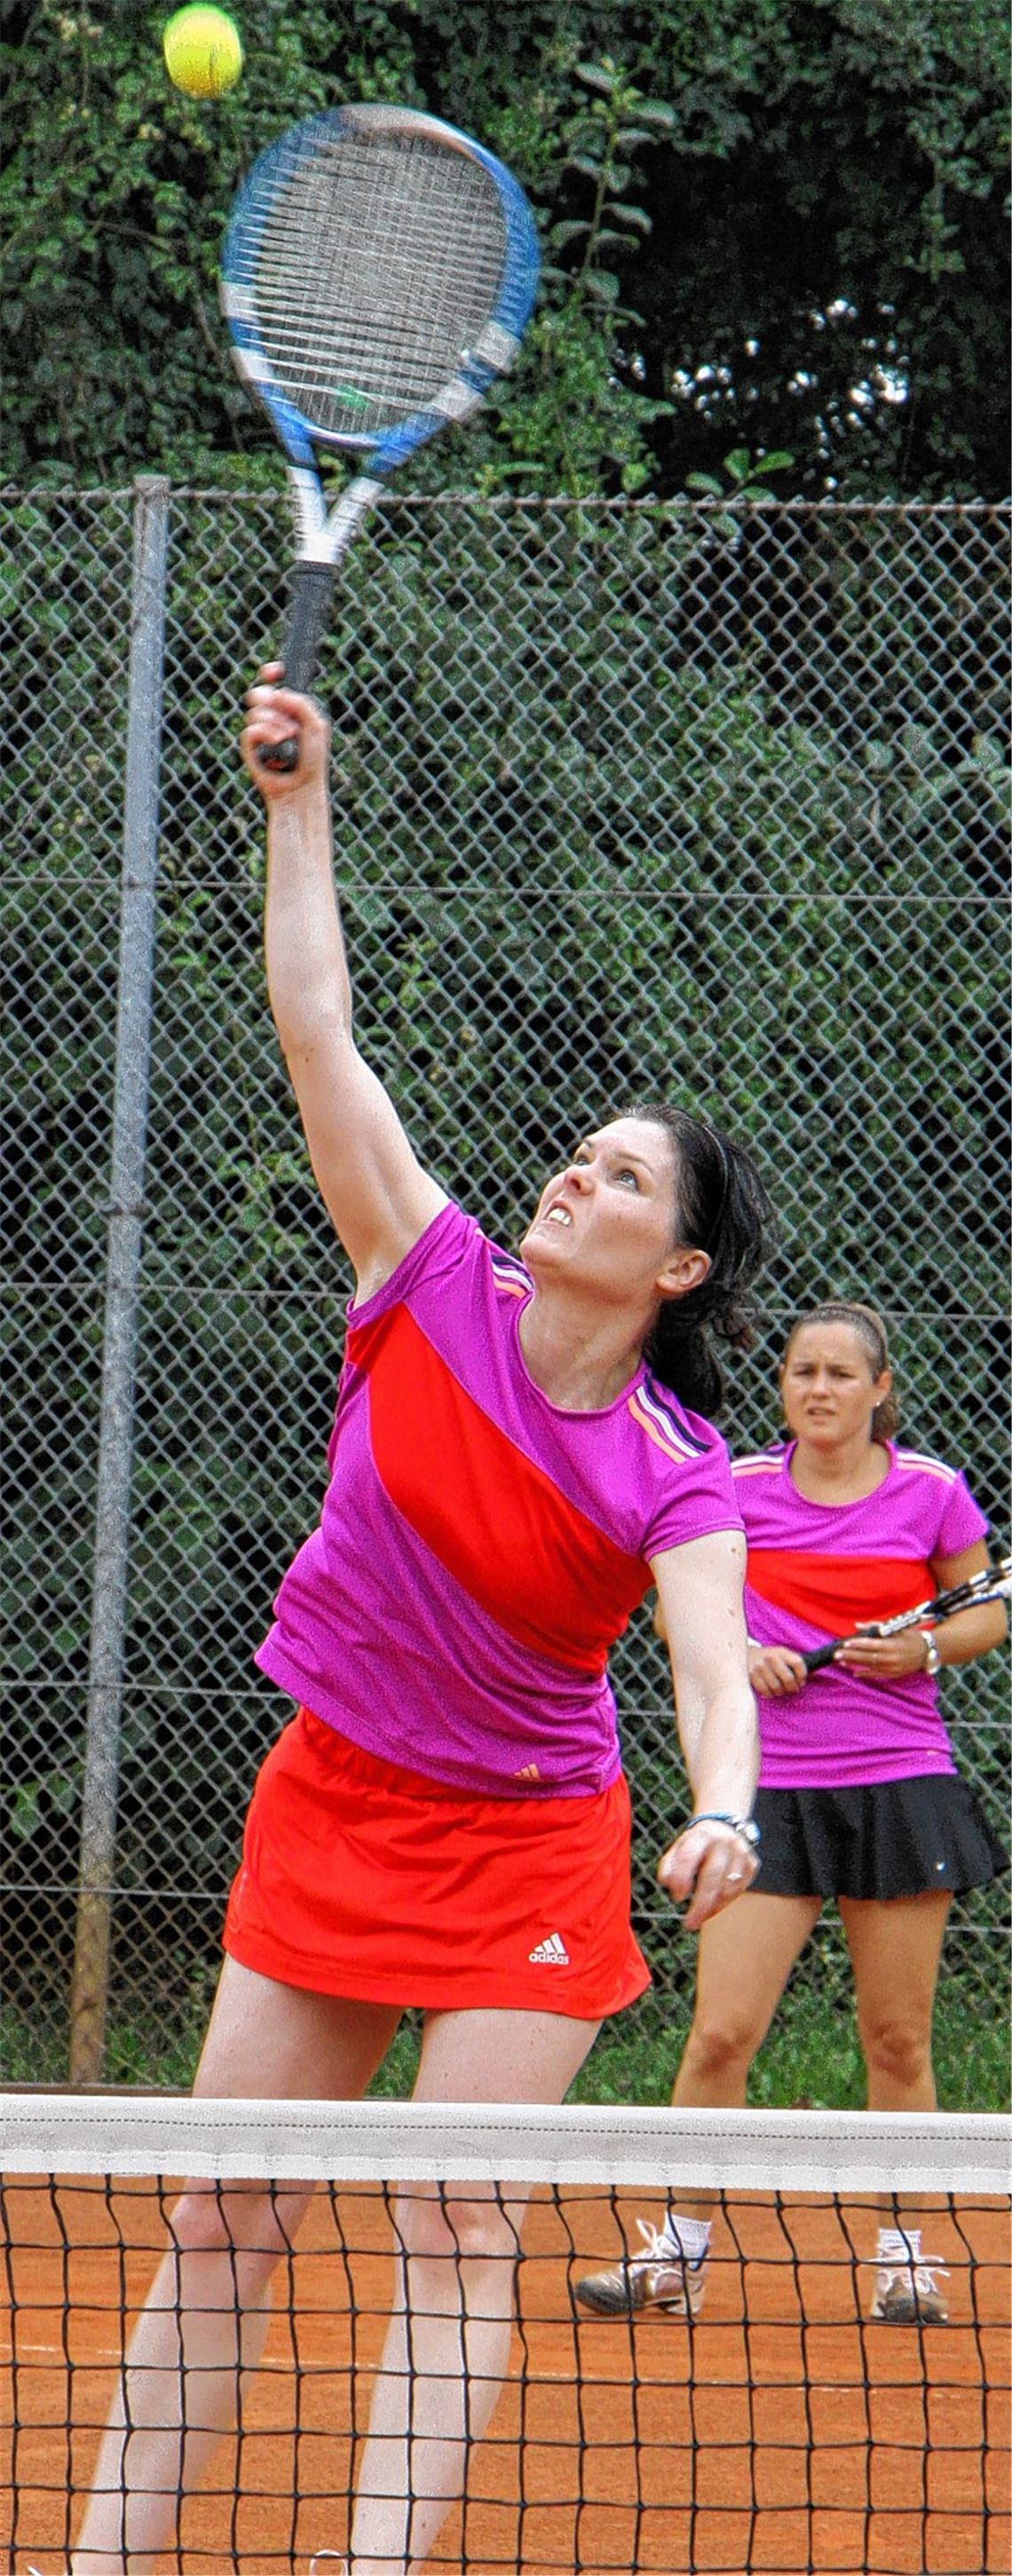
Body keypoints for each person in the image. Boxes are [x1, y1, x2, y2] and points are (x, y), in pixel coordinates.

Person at [65, 670, 771, 2576]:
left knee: (459, 2214)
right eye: (582, 1149)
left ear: (677, 1262)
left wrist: (731, 1807)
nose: (580, 1170)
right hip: (335, 1797)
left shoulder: (679, 1466)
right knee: (223, 2212)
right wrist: (299, 808)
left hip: (531, 1842)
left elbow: (714, 1667)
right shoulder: (426, 1271)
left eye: (626, 1175)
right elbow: (318, 1022)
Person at [574, 1299, 1008, 2329]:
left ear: (880, 1389)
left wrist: (925, 1650)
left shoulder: (932, 1494)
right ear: (785, 1388)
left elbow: (987, 1602)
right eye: (803, 1371)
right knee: (722, 2032)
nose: (819, 1388)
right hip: (765, 1795)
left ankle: (908, 2262)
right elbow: (681, 1596)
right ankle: (676, 2256)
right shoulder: (740, 1488)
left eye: (841, 1374)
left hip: (900, 1786)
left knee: (898, 2040)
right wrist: (739, 1654)